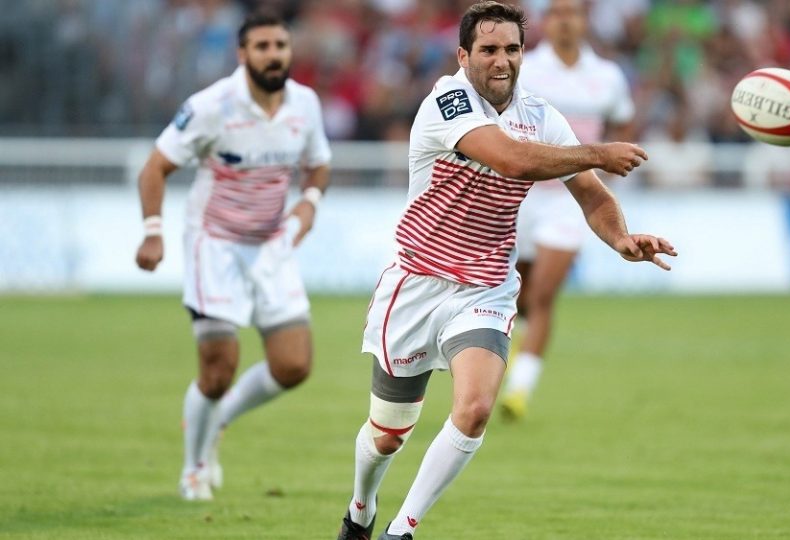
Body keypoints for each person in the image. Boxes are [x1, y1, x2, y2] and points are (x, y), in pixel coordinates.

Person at [335, 2, 675, 539]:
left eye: (512, 49)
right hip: (417, 282)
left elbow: (591, 195)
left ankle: (402, 530)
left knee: (473, 411)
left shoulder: (540, 114)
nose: (502, 61)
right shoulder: (447, 100)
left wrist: (621, 238)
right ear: (464, 55)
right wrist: (595, 151)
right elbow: (512, 161)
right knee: (388, 435)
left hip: (487, 287)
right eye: (489, 49)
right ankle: (361, 508)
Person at [134, 11, 332, 501]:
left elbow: (319, 165)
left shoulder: (305, 104)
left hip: (271, 244)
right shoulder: (212, 106)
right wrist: (152, 233)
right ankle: (195, 467)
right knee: (219, 368)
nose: (273, 55)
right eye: (262, 46)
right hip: (214, 243)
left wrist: (307, 207)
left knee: (293, 366)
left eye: (280, 45)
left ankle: (217, 420)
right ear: (243, 54)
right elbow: (154, 169)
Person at [501, 0, 638, 420]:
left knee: (543, 294)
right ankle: (513, 344)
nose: (565, 20)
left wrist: (607, 178)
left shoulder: (607, 77)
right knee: (517, 293)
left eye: (573, 12)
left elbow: (625, 121)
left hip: (569, 200)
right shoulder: (526, 67)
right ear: (546, 20)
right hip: (517, 194)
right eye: (557, 12)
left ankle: (518, 391)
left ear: (584, 21)